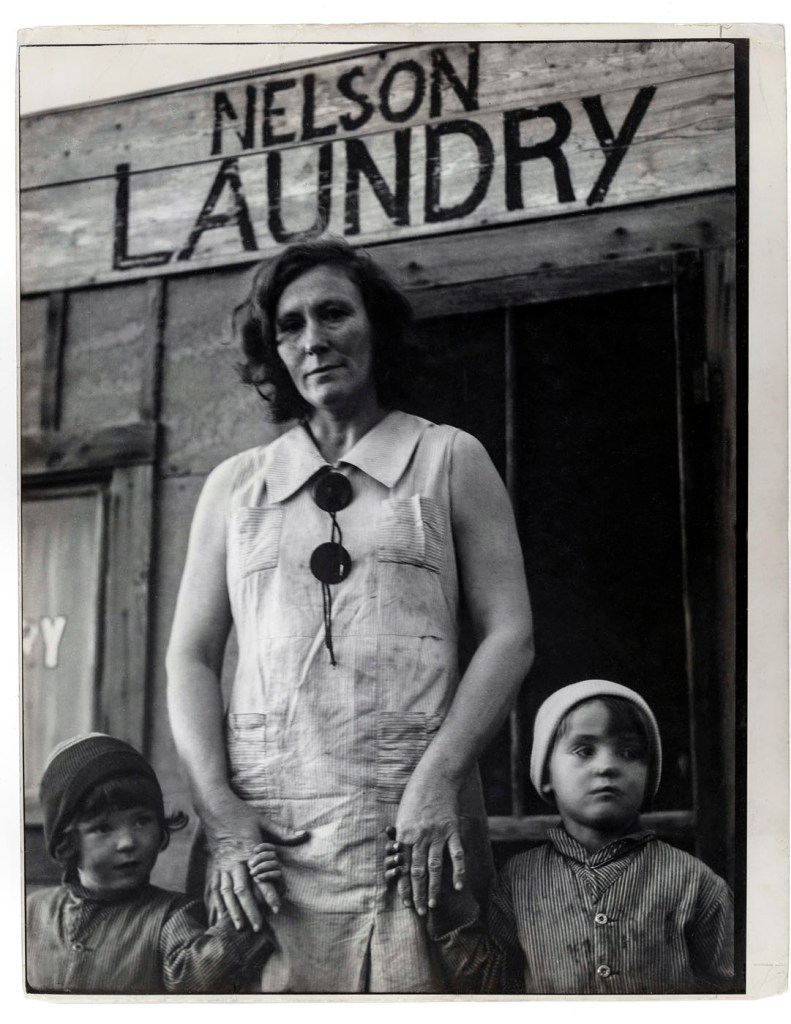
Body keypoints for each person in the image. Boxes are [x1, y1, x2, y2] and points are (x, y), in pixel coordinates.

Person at [165, 237, 534, 992]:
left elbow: (511, 635)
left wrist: (437, 780)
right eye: (290, 326)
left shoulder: (447, 458)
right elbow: (191, 657)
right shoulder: (238, 486)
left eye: (333, 313)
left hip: (411, 829)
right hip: (267, 843)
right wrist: (221, 810)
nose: (314, 340)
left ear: (377, 328)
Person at [386, 679, 735, 994]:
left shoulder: (696, 882)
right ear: (546, 772)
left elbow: (725, 996)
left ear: (651, 774)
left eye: (629, 752)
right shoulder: (518, 881)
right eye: (584, 750)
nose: (607, 766)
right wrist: (448, 901)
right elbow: (493, 986)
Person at [26, 733, 276, 994]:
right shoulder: (32, 912)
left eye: (141, 821)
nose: (127, 842)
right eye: (103, 828)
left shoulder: (172, 916)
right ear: (68, 839)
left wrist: (252, 904)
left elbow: (194, 980)